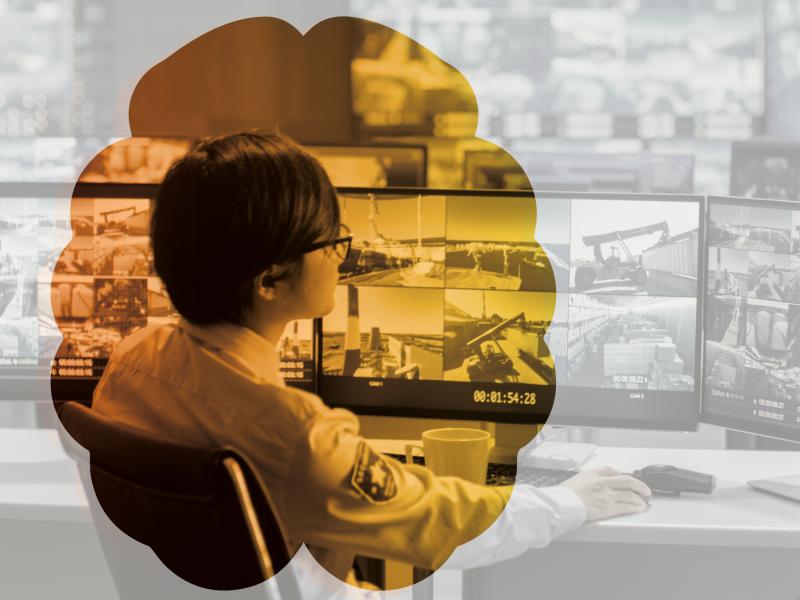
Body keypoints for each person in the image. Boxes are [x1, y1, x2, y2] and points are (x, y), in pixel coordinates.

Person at [91, 132, 651, 587]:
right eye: (331, 243)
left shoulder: (132, 361)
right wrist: (570, 502)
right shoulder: (300, 437)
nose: (344, 256)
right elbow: (443, 525)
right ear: (271, 280)